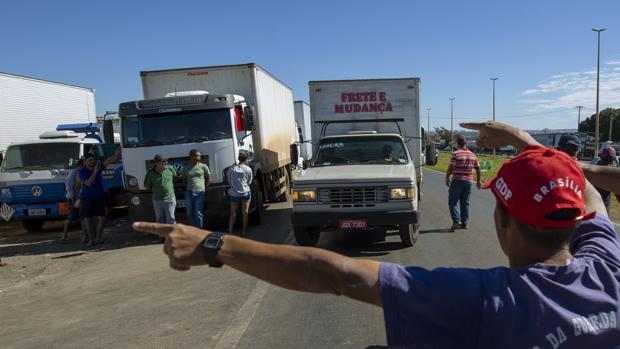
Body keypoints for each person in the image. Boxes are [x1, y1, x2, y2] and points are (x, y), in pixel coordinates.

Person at [134, 121, 620, 348]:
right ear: (576, 218)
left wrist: (213, 244)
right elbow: (591, 196)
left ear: (501, 220)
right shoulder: (607, 264)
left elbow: (337, 273)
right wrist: (527, 145)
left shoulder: (487, 299)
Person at [79, 148, 121, 246]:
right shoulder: (83, 171)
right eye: (89, 160)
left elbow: (109, 161)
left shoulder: (98, 167)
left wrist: (117, 154)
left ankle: (98, 237)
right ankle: (91, 239)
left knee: (102, 218)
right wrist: (95, 172)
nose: (92, 162)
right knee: (87, 219)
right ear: (85, 162)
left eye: (93, 160)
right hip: (86, 198)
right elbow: (89, 183)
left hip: (99, 196)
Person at [445, 134, 481, 230]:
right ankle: (464, 223)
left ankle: (456, 221)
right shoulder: (473, 155)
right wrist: (478, 181)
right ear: (465, 143)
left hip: (457, 180)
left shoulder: (456, 154)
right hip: (468, 182)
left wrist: (447, 177)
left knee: (452, 202)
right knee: (465, 203)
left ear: (457, 143)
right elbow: (478, 168)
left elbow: (451, 167)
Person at [144, 154, 178, 228]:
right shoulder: (150, 173)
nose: (166, 163)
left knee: (171, 218)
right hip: (157, 200)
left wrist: (169, 188)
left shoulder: (170, 168)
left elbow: (175, 178)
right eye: (163, 162)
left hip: (170, 198)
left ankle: (172, 237)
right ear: (156, 163)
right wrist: (157, 190)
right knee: (160, 219)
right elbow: (147, 186)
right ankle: (162, 236)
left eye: (166, 161)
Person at [182, 149, 211, 228]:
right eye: (197, 156)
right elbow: (184, 180)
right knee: (190, 212)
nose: (199, 157)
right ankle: (192, 231)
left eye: (199, 156)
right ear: (191, 157)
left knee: (198, 213)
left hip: (200, 192)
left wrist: (204, 187)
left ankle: (199, 231)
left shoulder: (203, 166)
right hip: (189, 192)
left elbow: (208, 177)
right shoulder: (186, 167)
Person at [61, 159, 87, 243]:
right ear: (81, 165)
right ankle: (64, 236)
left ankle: (85, 236)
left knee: (83, 217)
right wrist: (73, 200)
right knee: (71, 218)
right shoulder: (73, 174)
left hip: (81, 198)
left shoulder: (82, 172)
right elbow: (69, 188)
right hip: (73, 199)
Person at [227, 151, 253, 236]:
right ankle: (244, 231)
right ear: (246, 159)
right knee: (245, 212)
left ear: (238, 158)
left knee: (232, 213)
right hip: (245, 193)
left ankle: (230, 231)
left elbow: (229, 180)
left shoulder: (231, 168)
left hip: (234, 194)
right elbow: (249, 181)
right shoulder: (248, 169)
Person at [591, 146, 617, 213]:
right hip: (603, 210)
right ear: (612, 160)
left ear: (601, 156)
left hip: (590, 207)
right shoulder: (611, 174)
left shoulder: (591, 169)